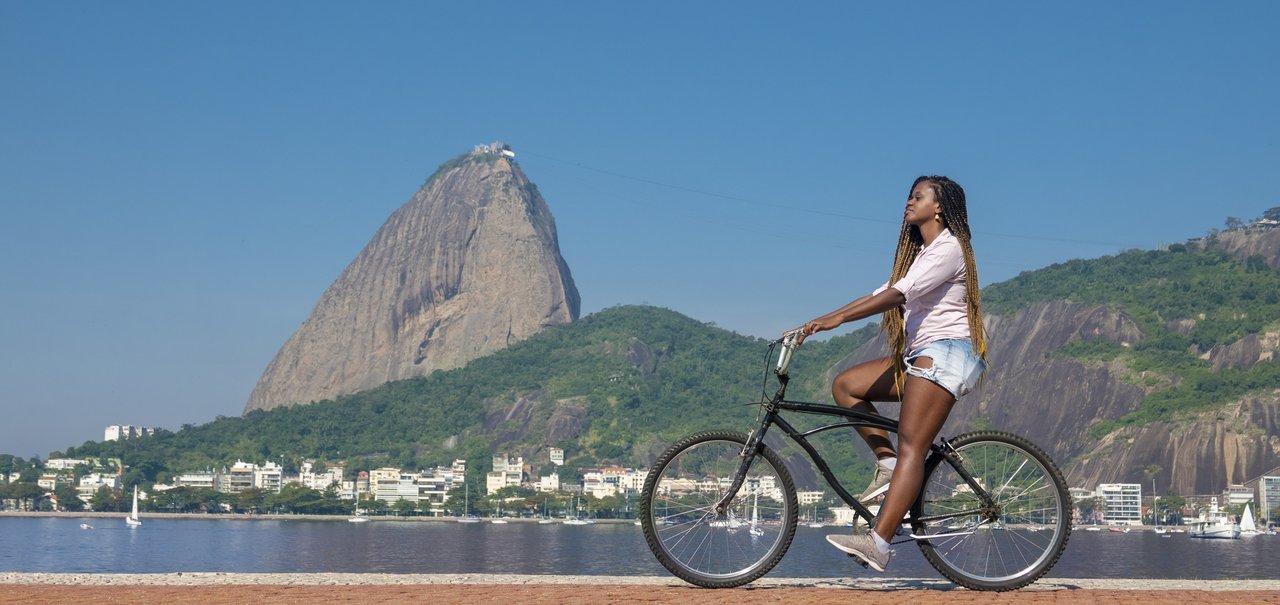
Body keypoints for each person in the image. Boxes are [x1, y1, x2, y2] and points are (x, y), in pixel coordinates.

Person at [788, 175, 988, 572]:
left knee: (914, 446)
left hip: (946, 355)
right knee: (847, 385)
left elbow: (896, 297)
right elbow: (881, 293)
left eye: (918, 197)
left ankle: (879, 543)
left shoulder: (949, 248)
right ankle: (888, 462)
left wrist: (838, 319)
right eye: (909, 196)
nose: (908, 202)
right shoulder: (922, 255)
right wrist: (818, 322)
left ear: (940, 207)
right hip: (922, 356)